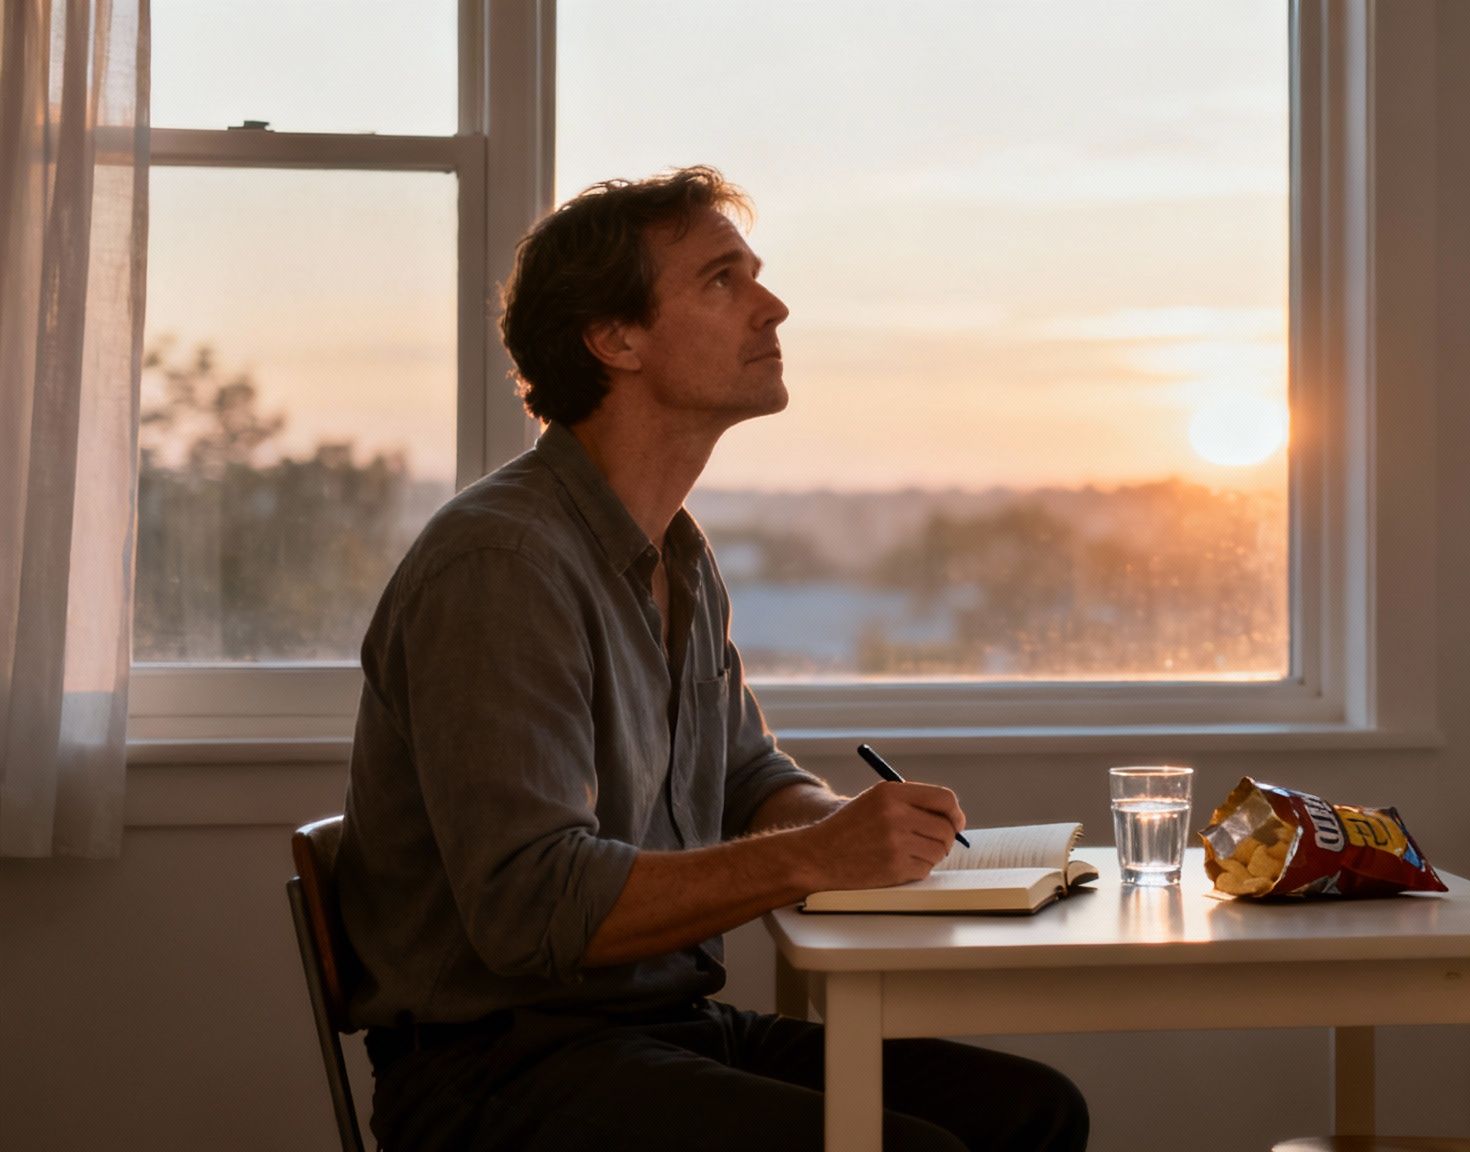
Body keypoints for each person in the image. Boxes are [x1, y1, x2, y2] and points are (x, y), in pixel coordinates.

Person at [335, 166, 1089, 1152]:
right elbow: (529, 909)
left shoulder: (675, 552)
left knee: (1030, 1114)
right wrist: (818, 856)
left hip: (653, 1030)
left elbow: (745, 776)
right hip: (499, 1072)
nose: (772, 307)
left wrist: (853, 830)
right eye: (721, 281)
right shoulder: (500, 566)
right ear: (616, 339)